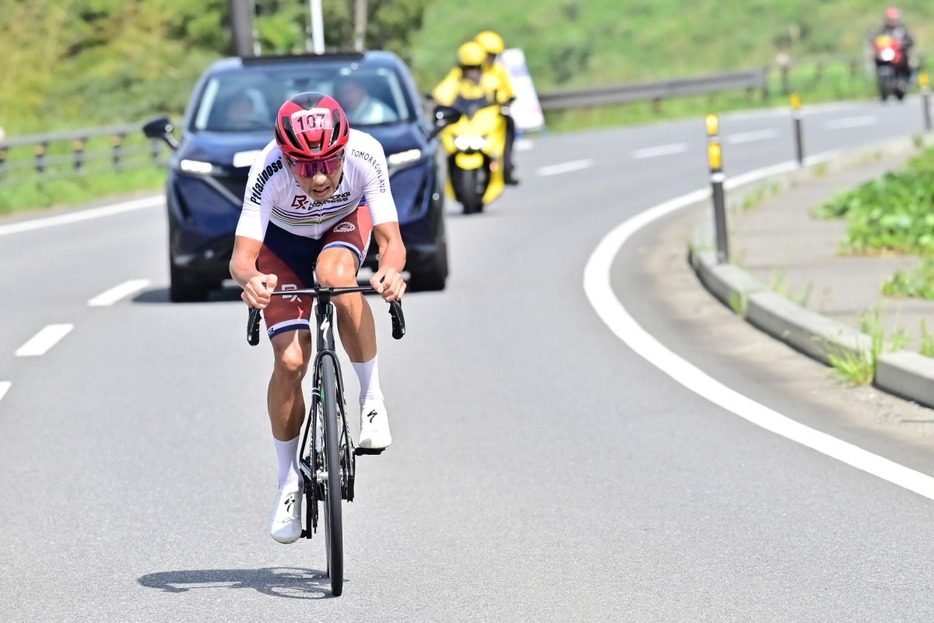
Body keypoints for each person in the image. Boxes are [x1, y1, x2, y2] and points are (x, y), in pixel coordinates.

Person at [229, 92, 407, 544]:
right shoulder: (267, 170)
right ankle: (288, 480)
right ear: (286, 159)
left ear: (346, 148)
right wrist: (251, 280)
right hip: (282, 246)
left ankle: (371, 399)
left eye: (330, 161)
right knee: (290, 362)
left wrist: (389, 271)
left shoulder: (367, 153)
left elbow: (392, 241)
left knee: (335, 275)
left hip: (341, 228)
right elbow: (242, 259)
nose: (321, 176)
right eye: (305, 167)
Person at [474, 30, 519, 185]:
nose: (490, 58)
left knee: (509, 125)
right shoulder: (468, 70)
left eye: (493, 55)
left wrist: (506, 101)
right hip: (471, 115)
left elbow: (509, 91)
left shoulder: (499, 70)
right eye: (488, 54)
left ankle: (506, 166)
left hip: (494, 113)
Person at [334, 75, 399, 124]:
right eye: (342, 93)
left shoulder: (375, 111)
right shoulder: (351, 111)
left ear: (362, 91)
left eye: (350, 92)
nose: (346, 97)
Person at [873, 7, 914, 84]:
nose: (891, 22)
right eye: (890, 20)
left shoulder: (902, 30)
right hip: (887, 53)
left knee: (906, 60)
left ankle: (904, 79)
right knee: (877, 59)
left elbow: (910, 39)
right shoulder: (882, 31)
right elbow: (875, 39)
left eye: (893, 20)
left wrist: (905, 43)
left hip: (899, 53)